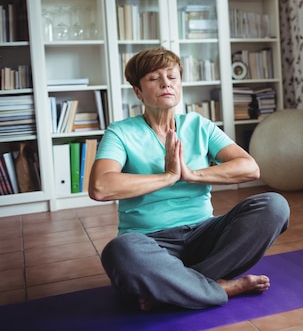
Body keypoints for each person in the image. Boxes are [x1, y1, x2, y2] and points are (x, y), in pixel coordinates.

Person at [88, 47, 290, 310]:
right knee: (120, 252)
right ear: (138, 91)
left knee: (274, 206)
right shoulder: (121, 133)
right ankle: (220, 287)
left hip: (205, 233)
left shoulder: (199, 125)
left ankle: (175, 287)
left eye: (172, 77)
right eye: (153, 78)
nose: (165, 84)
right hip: (150, 241)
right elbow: (101, 187)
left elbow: (249, 168)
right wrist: (168, 176)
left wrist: (192, 174)